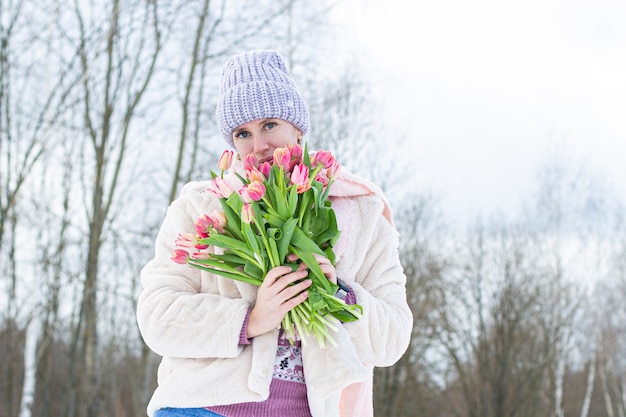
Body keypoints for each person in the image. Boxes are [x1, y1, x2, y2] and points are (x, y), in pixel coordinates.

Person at [136, 50, 412, 417]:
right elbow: (157, 317)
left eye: (269, 125)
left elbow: (392, 339)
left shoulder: (362, 214)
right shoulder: (200, 208)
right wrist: (251, 319)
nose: (259, 146)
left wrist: (337, 294)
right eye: (242, 133)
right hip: (201, 407)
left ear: (298, 127)